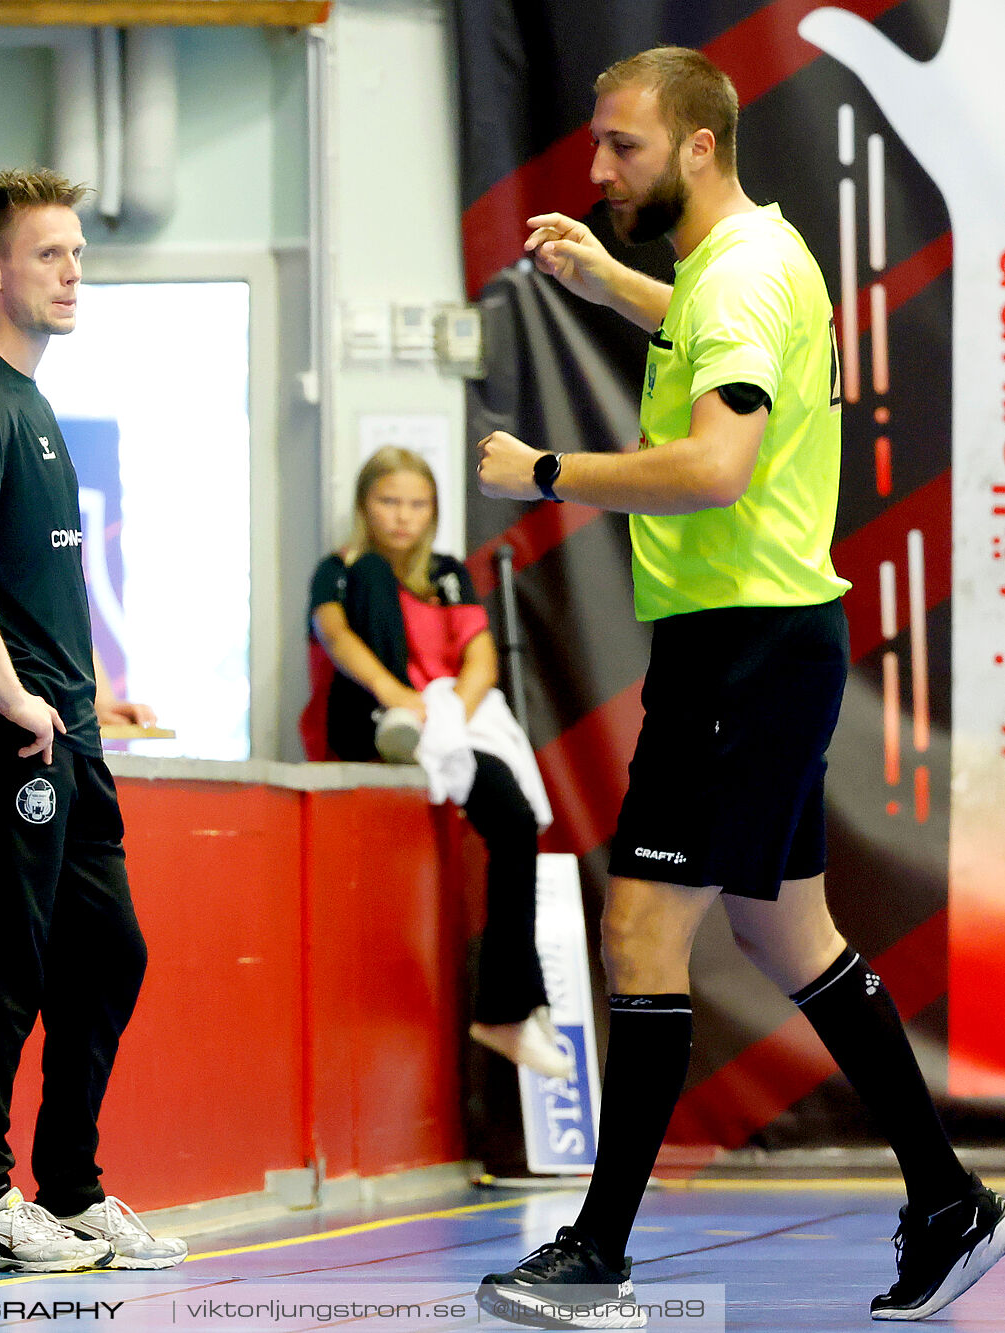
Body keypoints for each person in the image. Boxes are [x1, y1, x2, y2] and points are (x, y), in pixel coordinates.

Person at [473, 46, 1001, 1327]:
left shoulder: (748, 275)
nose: (598, 167)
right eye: (595, 143)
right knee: (785, 932)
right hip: (762, 640)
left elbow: (715, 464)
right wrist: (611, 285)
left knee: (644, 935)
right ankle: (946, 1199)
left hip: (744, 651)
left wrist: (545, 470)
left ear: (699, 147)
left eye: (625, 147)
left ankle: (596, 1251)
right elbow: (710, 333)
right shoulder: (739, 262)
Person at [0, 167, 186, 1273]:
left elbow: (25, 578)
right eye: (49, 253)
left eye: (78, 252)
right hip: (5, 733)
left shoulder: (36, 402)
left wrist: (79, 692)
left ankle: (71, 1186)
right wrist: (11, 690)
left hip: (64, 728)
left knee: (109, 953)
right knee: (7, 965)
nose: (73, 270)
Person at [306, 447, 566, 1082]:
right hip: (374, 713)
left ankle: (507, 1011)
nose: (402, 517)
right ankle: (396, 729)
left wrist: (448, 713)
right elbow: (336, 636)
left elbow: (480, 659)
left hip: (440, 718)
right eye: (388, 502)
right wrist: (397, 698)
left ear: (435, 512)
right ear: (365, 505)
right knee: (370, 573)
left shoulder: (448, 573)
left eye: (417, 504)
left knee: (515, 819)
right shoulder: (342, 570)